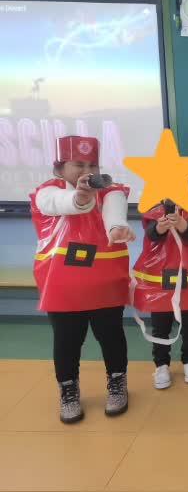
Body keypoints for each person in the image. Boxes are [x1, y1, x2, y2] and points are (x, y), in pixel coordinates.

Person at [29, 136, 135, 423]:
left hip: (105, 281)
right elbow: (63, 203)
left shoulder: (111, 191)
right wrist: (81, 197)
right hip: (62, 285)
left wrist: (117, 229)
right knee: (67, 340)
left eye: (92, 165)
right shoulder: (46, 193)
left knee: (111, 336)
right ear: (60, 168)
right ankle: (68, 390)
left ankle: (117, 382)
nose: (87, 171)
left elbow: (115, 213)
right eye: (79, 164)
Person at [132, 181, 188, 389]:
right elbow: (151, 233)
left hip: (187, 279)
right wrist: (160, 227)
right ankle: (161, 365)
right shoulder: (154, 212)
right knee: (160, 325)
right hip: (159, 280)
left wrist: (182, 225)